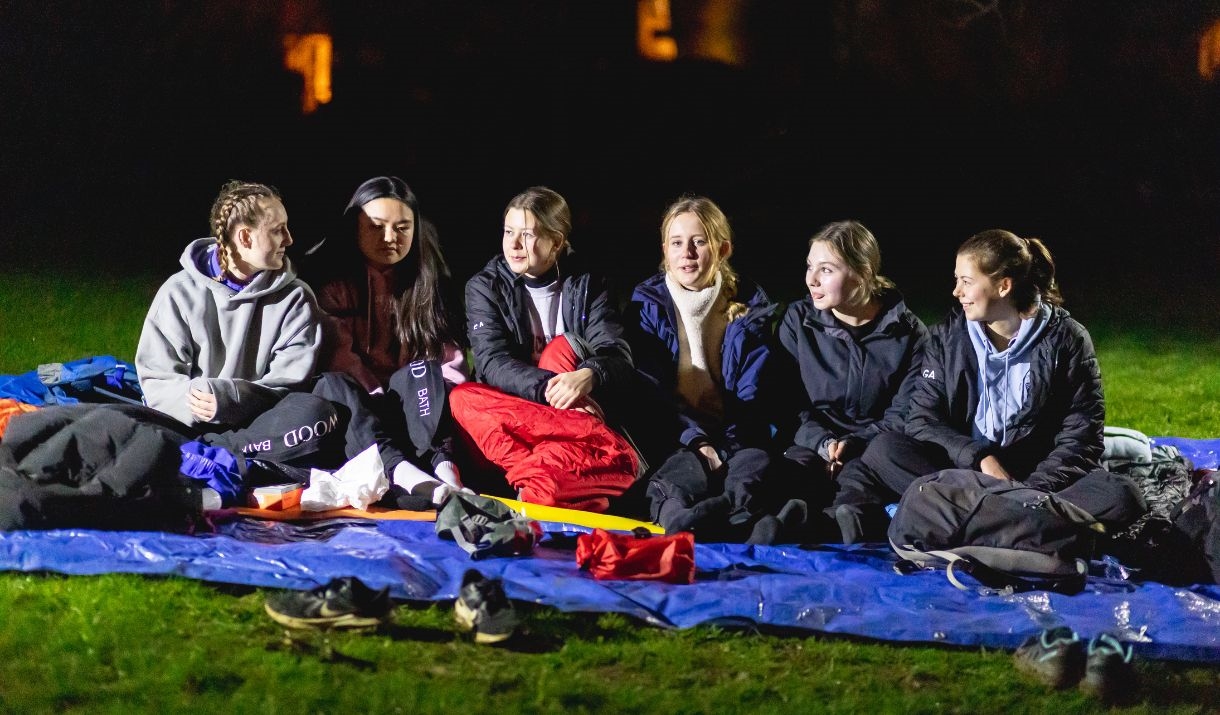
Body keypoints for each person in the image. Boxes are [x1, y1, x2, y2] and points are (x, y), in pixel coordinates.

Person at [136, 180, 454, 507]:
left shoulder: (295, 297)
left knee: (327, 402)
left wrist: (232, 397)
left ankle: (409, 473)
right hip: (199, 431)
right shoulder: (179, 292)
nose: (289, 239)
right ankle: (396, 476)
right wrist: (195, 399)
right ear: (245, 237)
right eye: (278, 230)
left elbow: (291, 382)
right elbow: (157, 379)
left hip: (270, 425)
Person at [830, 229, 1143, 542]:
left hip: (1035, 480)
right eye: (957, 280)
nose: (956, 292)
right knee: (885, 449)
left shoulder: (1067, 340)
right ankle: (1024, 527)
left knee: (1120, 493)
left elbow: (1080, 438)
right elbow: (923, 420)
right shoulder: (947, 338)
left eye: (966, 281)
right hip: (965, 472)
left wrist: (1026, 491)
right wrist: (979, 457)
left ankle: (973, 519)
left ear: (1003, 286)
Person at [449, 186, 639, 512]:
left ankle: (541, 481)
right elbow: (492, 362)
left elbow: (616, 352)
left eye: (527, 235)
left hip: (573, 408)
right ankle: (581, 464)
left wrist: (588, 376)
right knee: (461, 399)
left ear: (556, 242)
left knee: (560, 349)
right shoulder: (485, 286)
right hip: (527, 414)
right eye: (508, 232)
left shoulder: (588, 281)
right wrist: (550, 389)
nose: (514, 244)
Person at [626, 195, 785, 542]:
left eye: (699, 242)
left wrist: (725, 447)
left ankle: (734, 519)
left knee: (753, 467)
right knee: (676, 475)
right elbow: (651, 393)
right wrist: (697, 441)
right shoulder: (648, 306)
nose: (687, 253)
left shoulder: (749, 304)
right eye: (676, 243)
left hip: (734, 433)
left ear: (722, 249)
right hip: (676, 432)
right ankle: (681, 523)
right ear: (665, 250)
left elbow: (752, 395)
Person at [310, 176, 468, 494]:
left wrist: (440, 395)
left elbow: (446, 358)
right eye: (376, 226)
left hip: (415, 405)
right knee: (333, 384)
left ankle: (446, 472)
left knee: (423, 372)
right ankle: (404, 474)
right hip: (361, 405)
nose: (389, 237)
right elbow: (340, 358)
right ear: (355, 226)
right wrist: (377, 402)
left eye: (402, 227)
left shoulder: (430, 280)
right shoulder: (330, 280)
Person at [775, 221, 927, 522]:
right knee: (794, 476)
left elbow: (905, 411)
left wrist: (855, 443)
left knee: (857, 485)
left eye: (826, 270)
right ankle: (789, 525)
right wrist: (822, 442)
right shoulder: (798, 321)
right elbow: (786, 402)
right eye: (810, 267)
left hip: (871, 446)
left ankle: (846, 525)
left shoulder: (910, 334)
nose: (812, 280)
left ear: (863, 273)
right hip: (810, 441)